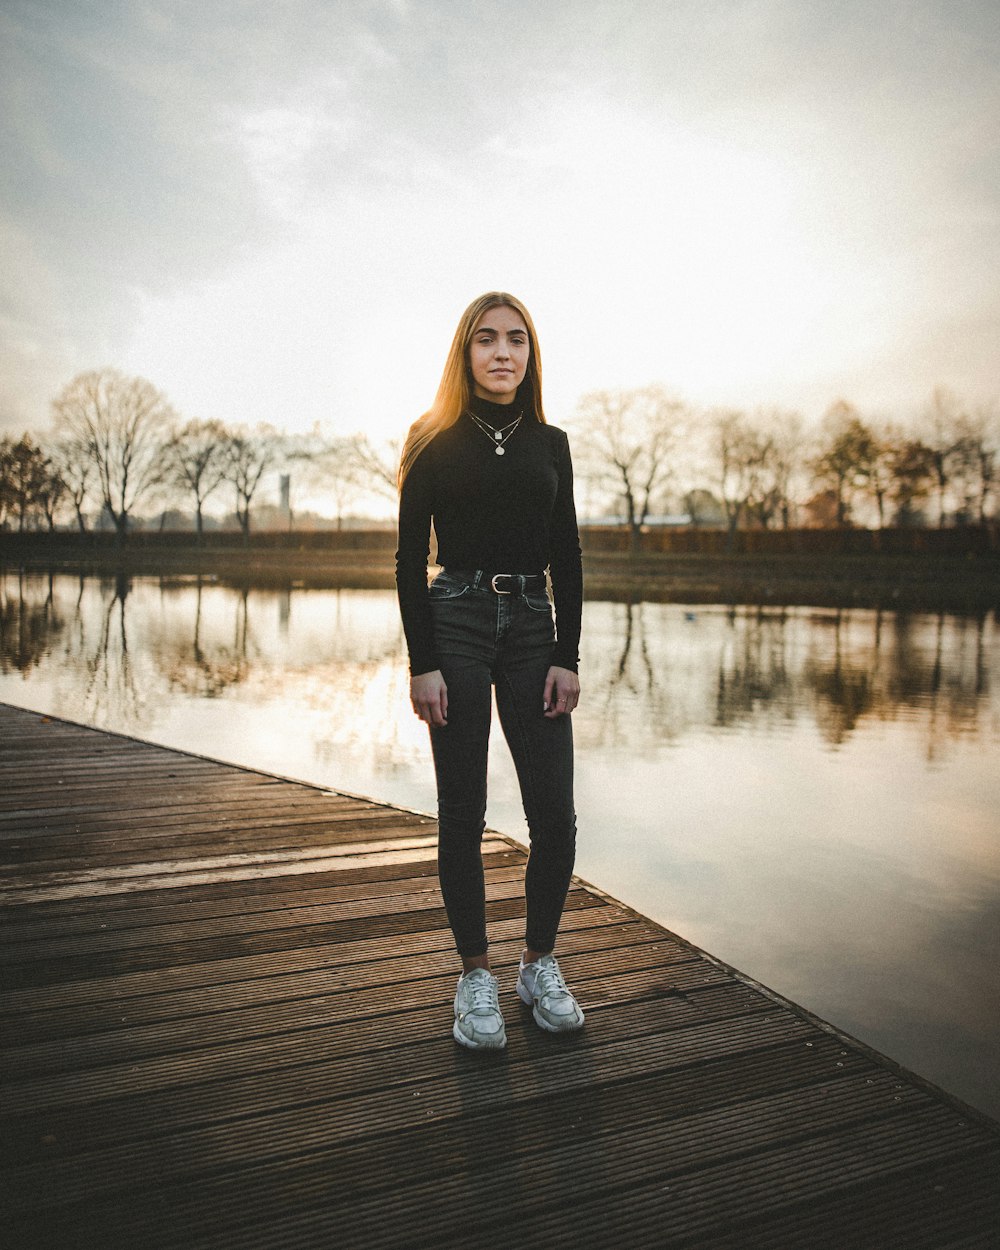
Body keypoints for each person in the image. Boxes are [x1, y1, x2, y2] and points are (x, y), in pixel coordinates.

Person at [396, 291, 585, 1050]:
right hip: (460, 622)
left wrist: (568, 655)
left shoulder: (552, 443)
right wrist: (425, 663)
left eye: (516, 340)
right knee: (462, 812)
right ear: (464, 353)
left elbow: (567, 555)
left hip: (534, 628)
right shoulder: (431, 438)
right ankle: (474, 974)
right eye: (486, 340)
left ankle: (538, 963)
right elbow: (412, 559)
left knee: (555, 817)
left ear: (530, 354)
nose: (502, 352)